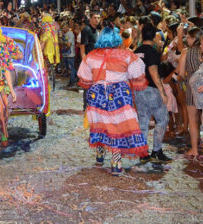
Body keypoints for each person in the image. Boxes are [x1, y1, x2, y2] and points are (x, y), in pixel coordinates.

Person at [78, 21, 148, 175]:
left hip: (97, 94)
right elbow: (137, 73)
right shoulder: (126, 55)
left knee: (100, 124)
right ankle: (116, 162)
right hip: (120, 95)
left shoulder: (91, 56)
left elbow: (84, 77)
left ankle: (100, 153)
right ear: (117, 38)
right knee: (116, 126)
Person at [134, 23, 171, 163]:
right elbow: (153, 71)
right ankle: (156, 151)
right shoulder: (152, 52)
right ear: (154, 36)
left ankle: (143, 153)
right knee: (162, 119)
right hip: (151, 90)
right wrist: (162, 92)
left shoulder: (135, 51)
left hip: (138, 90)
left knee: (143, 122)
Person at [177, 27, 203, 157]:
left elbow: (181, 74)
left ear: (194, 38)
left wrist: (181, 78)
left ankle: (194, 149)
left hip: (192, 88)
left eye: (188, 37)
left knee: (193, 120)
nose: (186, 39)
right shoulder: (201, 51)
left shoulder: (185, 52)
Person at [61, 23, 77, 88]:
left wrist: (62, 43)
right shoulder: (64, 34)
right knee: (69, 68)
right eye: (63, 28)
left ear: (67, 27)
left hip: (70, 54)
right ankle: (73, 80)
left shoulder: (70, 34)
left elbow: (68, 45)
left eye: (64, 28)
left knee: (71, 68)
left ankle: (72, 81)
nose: (63, 29)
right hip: (65, 54)